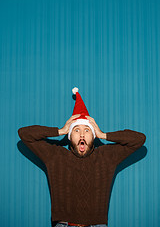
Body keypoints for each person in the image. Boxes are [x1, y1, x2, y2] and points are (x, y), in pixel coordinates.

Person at [18, 87, 146, 227]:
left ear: (93, 135)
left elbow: (139, 139)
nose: (82, 135)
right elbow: (24, 134)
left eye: (87, 130)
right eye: (76, 130)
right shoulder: (56, 156)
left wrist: (103, 134)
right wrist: (60, 131)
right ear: (70, 136)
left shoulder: (106, 157)